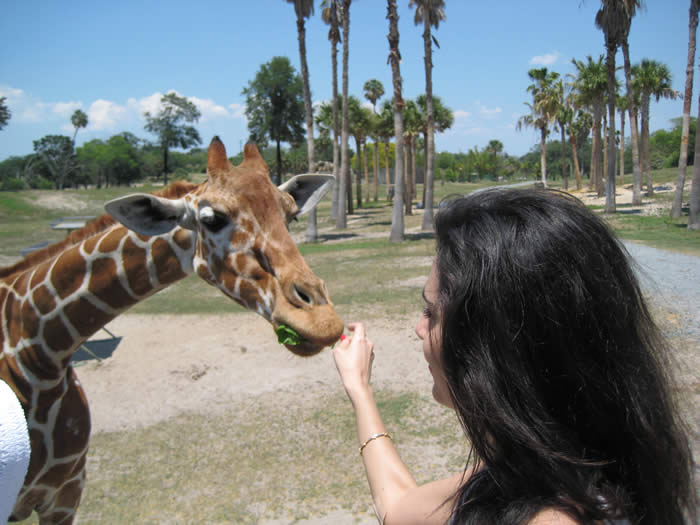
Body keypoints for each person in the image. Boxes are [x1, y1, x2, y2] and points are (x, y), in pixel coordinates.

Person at [333, 189, 695, 525]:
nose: (419, 328)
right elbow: (397, 508)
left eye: (432, 313)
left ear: (489, 347)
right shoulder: (551, 469)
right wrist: (359, 388)